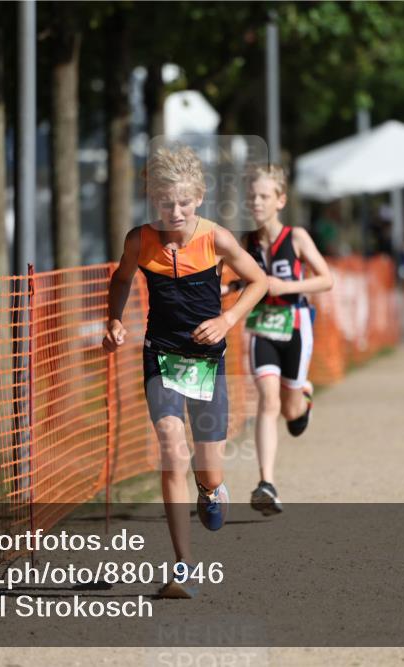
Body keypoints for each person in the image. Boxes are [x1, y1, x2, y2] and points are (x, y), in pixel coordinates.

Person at [102, 145, 267, 599]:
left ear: (199, 197)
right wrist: (113, 320)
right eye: (164, 202)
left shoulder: (216, 239)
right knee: (172, 450)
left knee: (208, 471)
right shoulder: (139, 240)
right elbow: (121, 279)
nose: (174, 212)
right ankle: (183, 567)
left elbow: (259, 281)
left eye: (183, 203)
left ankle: (211, 489)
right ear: (153, 199)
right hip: (161, 355)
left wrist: (227, 320)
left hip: (206, 360)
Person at [233, 164, 333, 516]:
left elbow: (326, 279)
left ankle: (303, 396)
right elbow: (235, 279)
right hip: (262, 326)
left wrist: (286, 286)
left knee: (291, 412)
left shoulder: (296, 237)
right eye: (252, 196)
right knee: (267, 400)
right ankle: (266, 483)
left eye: (264, 196)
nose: (257, 202)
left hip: (295, 326)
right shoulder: (245, 242)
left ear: (280, 200)